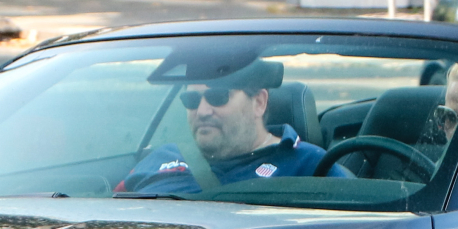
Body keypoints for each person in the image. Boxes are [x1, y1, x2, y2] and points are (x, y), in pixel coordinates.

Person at [117, 60, 326, 194]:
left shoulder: (310, 165)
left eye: (218, 97)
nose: (202, 111)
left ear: (259, 102)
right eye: (191, 100)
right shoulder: (161, 156)